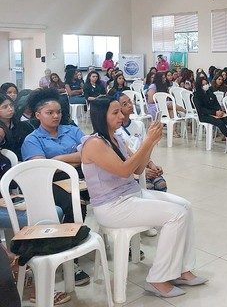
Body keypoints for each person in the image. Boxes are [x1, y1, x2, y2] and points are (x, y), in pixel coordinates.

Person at [80, 97, 206, 298]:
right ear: (100, 117)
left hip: (131, 194)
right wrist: (147, 141)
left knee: (185, 206)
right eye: (115, 113)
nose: (121, 116)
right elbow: (124, 170)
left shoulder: (116, 137)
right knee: (176, 215)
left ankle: (182, 269)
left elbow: (138, 169)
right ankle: (157, 278)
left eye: (120, 111)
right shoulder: (94, 143)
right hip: (112, 206)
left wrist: (151, 144)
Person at [20, 88, 91, 286]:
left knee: (110, 190)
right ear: (38, 115)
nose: (56, 116)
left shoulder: (72, 130)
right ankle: (70, 260)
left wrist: (58, 159)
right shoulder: (32, 139)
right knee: (76, 203)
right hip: (50, 184)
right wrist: (73, 161)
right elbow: (43, 170)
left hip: (81, 177)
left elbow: (90, 153)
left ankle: (116, 236)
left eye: (58, 112)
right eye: (50, 112)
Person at [116, 94, 167, 192]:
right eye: (124, 104)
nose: (130, 105)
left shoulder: (139, 125)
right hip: (131, 168)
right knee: (148, 186)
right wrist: (142, 171)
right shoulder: (116, 131)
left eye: (130, 102)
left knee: (161, 184)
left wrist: (152, 165)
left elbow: (145, 149)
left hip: (143, 163)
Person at [193, 77, 227, 151]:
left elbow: (216, 103)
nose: (205, 86)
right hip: (204, 115)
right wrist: (214, 112)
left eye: (206, 84)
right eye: (203, 85)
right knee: (220, 123)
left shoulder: (210, 93)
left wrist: (219, 111)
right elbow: (201, 109)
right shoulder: (196, 95)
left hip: (215, 113)